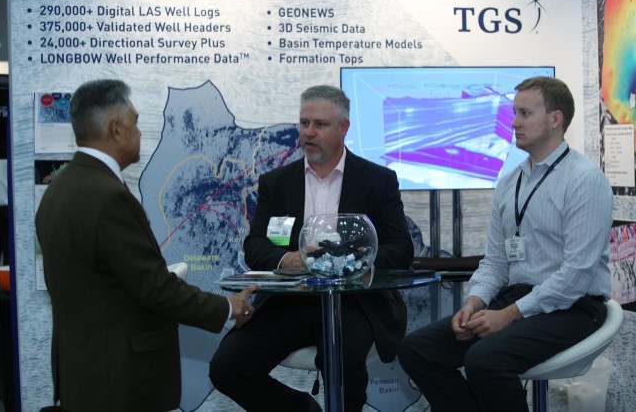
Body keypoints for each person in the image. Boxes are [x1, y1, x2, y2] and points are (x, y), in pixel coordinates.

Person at [35, 79, 259, 412]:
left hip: (83, 373)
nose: (140, 132)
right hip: (118, 380)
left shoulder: (59, 187)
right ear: (116, 130)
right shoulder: (109, 197)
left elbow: (104, 283)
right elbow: (156, 289)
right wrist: (228, 307)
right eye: (135, 122)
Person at [397, 76, 614, 412]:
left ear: (555, 119)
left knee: (485, 359)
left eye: (525, 113)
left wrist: (509, 315)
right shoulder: (510, 182)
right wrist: (474, 302)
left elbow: (576, 275)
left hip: (575, 306)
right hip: (518, 299)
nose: (513, 123)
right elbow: (496, 261)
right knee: (416, 349)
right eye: (514, 113)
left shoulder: (585, 181)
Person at [209, 85, 414, 412]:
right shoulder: (276, 182)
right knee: (227, 367)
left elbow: (401, 248)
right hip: (290, 302)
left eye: (320, 124)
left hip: (354, 303)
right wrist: (285, 258)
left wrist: (355, 263)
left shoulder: (378, 180)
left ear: (344, 127)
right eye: (304, 123)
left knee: (344, 362)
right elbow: (255, 245)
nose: (309, 132)